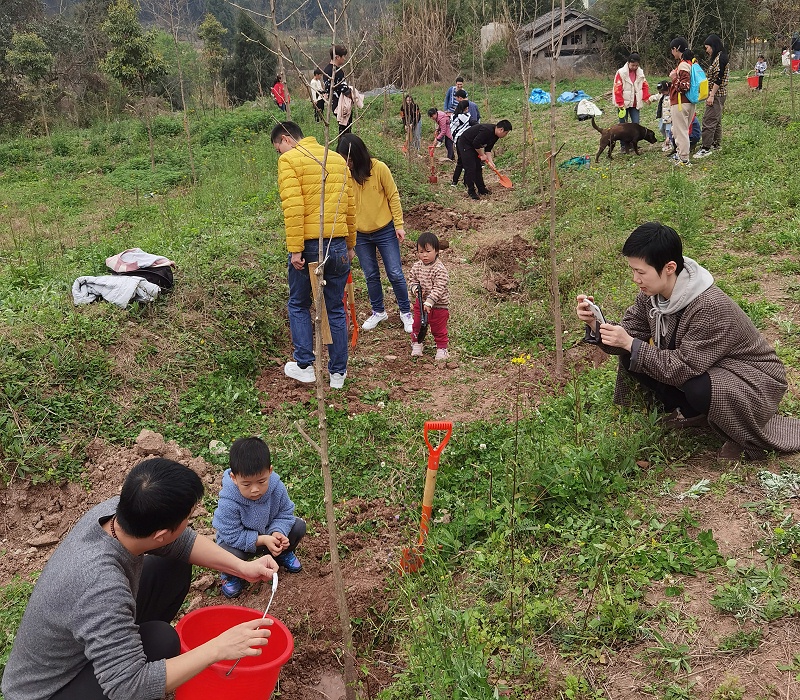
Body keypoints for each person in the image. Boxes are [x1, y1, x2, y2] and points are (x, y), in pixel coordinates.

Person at [1, 458, 279, 700]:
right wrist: (218, 648)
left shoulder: (117, 512)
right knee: (160, 641)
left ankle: (120, 649)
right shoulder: (100, 588)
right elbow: (128, 687)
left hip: (84, 637)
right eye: (188, 518)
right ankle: (123, 656)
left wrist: (243, 567)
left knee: (170, 568)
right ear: (160, 534)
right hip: (49, 691)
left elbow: (179, 543)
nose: (189, 523)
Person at [576, 222, 800, 461]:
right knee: (631, 352)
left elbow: (684, 367)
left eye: (641, 272)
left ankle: (743, 438)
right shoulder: (651, 296)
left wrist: (631, 343)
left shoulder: (707, 305)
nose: (635, 279)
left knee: (695, 384)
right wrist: (596, 325)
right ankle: (693, 412)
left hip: (755, 381)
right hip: (713, 368)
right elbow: (628, 334)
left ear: (670, 267)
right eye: (633, 271)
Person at [272, 121, 356, 390]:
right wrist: (350, 243)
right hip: (339, 243)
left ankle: (305, 365)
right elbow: (349, 206)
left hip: (309, 245)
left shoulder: (290, 161)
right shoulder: (336, 158)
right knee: (335, 307)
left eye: (278, 149)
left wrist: (295, 249)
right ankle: (338, 373)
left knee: (298, 303)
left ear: (286, 139)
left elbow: (294, 207)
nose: (279, 154)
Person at [336, 133, 414, 334]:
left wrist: (399, 224)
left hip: (385, 229)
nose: (348, 164)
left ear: (360, 156)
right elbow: (343, 206)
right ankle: (378, 311)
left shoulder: (379, 169)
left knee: (395, 273)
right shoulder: (344, 175)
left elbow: (393, 195)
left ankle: (406, 312)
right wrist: (347, 236)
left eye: (350, 160)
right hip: (360, 234)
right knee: (371, 275)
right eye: (344, 159)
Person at [213, 437, 306, 598]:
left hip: (269, 537)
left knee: (298, 526)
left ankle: (281, 553)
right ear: (234, 478)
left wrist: (277, 532)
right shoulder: (228, 501)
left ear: (270, 471)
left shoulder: (276, 487)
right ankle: (231, 575)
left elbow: (285, 513)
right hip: (240, 545)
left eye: (261, 481)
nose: (255, 490)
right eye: (247, 484)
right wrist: (263, 540)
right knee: (225, 552)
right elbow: (231, 535)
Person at [408, 232, 449, 361]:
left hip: (438, 306)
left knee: (438, 327)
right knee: (417, 325)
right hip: (420, 304)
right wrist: (414, 288)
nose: (424, 255)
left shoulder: (440, 269)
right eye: (420, 252)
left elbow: (439, 287)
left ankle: (442, 348)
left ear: (436, 251)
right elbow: (412, 280)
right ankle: (417, 343)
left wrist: (430, 302)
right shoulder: (416, 267)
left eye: (428, 251)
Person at [457, 120, 512, 200]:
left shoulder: (496, 136)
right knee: (471, 167)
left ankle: (481, 189)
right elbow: (476, 143)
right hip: (466, 143)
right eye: (506, 133)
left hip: (475, 146)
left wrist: (490, 162)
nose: (505, 135)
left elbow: (488, 149)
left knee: (478, 168)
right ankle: (471, 190)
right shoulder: (487, 130)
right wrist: (482, 155)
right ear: (501, 130)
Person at [694, 34, 729, 159]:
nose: (706, 50)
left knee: (708, 120)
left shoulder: (721, 58)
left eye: (707, 47)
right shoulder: (717, 58)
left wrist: (712, 95)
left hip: (717, 94)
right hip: (717, 94)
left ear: (713, 46)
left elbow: (719, 79)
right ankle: (716, 144)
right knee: (716, 120)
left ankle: (705, 148)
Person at [613, 52, 651, 153]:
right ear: (628, 63)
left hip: (635, 102)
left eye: (636, 65)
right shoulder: (621, 73)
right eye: (633, 65)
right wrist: (620, 102)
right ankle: (623, 146)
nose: (634, 67)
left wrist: (646, 97)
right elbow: (617, 88)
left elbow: (645, 85)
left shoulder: (640, 73)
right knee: (622, 126)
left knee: (635, 124)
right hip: (623, 104)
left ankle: (633, 144)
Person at [668, 37, 694, 167]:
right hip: (688, 102)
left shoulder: (683, 64)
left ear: (676, 48)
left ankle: (684, 159)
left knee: (681, 132)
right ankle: (680, 155)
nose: (672, 53)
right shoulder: (690, 63)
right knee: (679, 130)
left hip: (680, 103)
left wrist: (674, 78)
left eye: (672, 50)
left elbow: (684, 86)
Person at [323, 44, 350, 138]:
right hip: (342, 105)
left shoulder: (326, 70)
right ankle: (344, 149)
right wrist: (353, 95)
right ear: (337, 57)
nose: (344, 59)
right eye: (343, 57)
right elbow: (344, 89)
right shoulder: (337, 71)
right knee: (346, 130)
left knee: (342, 129)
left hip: (334, 104)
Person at [449, 99, 472, 187]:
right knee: (467, 161)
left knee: (460, 161)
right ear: (466, 108)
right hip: (463, 141)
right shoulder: (465, 117)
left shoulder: (453, 116)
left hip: (456, 141)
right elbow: (472, 124)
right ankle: (465, 181)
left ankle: (454, 181)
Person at [655, 80, 672, 153]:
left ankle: (670, 142)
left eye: (663, 91)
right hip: (663, 116)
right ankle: (666, 139)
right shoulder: (662, 95)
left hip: (670, 117)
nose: (662, 93)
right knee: (661, 128)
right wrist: (649, 99)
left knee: (669, 130)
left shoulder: (672, 95)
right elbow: (656, 96)